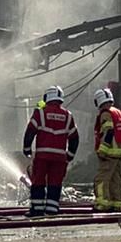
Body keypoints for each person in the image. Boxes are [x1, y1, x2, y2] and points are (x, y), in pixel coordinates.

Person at [23, 85, 79, 217]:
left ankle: (37, 209)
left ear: (46, 97)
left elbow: (30, 131)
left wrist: (27, 149)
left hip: (42, 156)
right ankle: (52, 209)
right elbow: (75, 138)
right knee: (55, 182)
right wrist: (69, 155)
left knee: (39, 181)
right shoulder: (68, 116)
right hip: (60, 158)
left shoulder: (40, 113)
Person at [92, 87, 121, 212]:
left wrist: (102, 150)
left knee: (101, 180)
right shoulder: (117, 112)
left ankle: (103, 204)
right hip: (120, 152)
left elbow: (109, 131)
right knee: (115, 181)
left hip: (109, 153)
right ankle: (117, 205)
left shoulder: (105, 114)